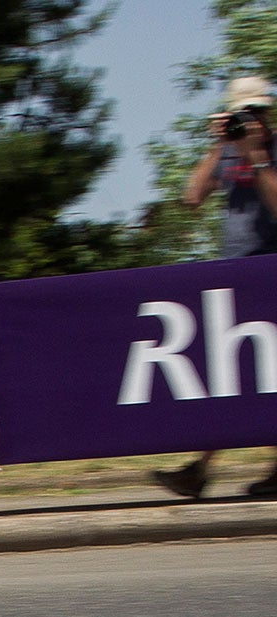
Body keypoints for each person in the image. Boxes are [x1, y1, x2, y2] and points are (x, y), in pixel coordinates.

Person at [151, 77, 277, 503]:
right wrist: (216, 144)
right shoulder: (225, 150)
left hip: (270, 273)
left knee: (252, 374)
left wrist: (258, 158)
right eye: (244, 114)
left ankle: (200, 470)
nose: (251, 120)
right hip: (233, 276)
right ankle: (201, 470)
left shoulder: (271, 152)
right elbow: (191, 197)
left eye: (258, 112)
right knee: (235, 375)